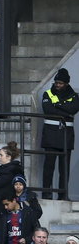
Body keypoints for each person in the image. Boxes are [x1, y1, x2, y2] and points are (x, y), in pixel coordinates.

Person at [40, 68, 78, 199]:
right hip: (50, 135)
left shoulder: (74, 96)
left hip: (66, 136)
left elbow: (73, 109)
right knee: (49, 167)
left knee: (64, 169)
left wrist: (57, 106)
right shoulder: (48, 93)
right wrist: (65, 112)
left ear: (66, 84)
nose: (57, 85)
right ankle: (46, 194)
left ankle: (63, 195)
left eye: (60, 83)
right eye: (56, 82)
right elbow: (48, 110)